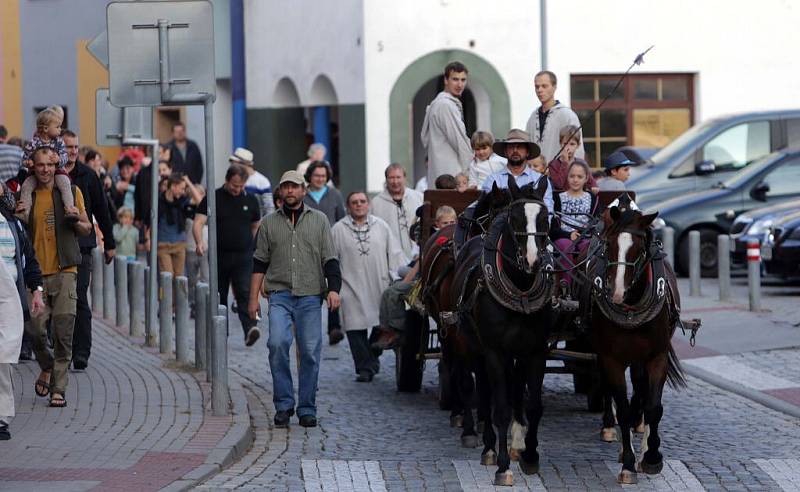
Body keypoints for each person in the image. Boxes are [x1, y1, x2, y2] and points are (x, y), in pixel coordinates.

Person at [248, 170, 341, 428]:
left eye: (294, 187)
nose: (290, 191)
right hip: (279, 295)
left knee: (310, 351)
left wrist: (334, 289)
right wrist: (252, 298)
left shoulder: (320, 221)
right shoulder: (268, 223)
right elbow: (258, 262)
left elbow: (330, 259)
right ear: (280, 191)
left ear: (303, 190)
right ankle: (284, 404)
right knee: (277, 344)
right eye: (285, 186)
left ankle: (307, 407)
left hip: (311, 295)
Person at [25, 147, 93, 408]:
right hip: (36, 276)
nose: (45, 170)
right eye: (40, 165)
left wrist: (76, 220)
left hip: (66, 271)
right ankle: (48, 367)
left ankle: (59, 390)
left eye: (49, 165)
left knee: (64, 333)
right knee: (35, 330)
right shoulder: (28, 193)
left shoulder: (71, 193)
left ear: (56, 166)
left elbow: (87, 227)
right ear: (34, 166)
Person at [331, 191, 405, 382]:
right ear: (348, 206)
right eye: (354, 202)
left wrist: (398, 278)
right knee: (354, 327)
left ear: (369, 204)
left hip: (378, 283)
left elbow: (394, 254)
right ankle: (364, 368)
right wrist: (332, 284)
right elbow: (331, 259)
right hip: (350, 286)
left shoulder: (381, 226)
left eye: (362, 201)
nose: (359, 205)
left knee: (379, 325)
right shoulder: (338, 229)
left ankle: (372, 356)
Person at [63, 131, 116, 371]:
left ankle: (81, 351)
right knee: (62, 300)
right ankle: (62, 344)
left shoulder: (89, 176)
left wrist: (110, 244)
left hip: (83, 246)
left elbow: (103, 211)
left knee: (80, 297)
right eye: (67, 147)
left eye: (75, 147)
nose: (72, 151)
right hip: (58, 246)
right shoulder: (52, 174)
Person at [371, 205, 455, 351]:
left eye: (451, 223)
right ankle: (393, 330)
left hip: (441, 282)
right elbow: (419, 263)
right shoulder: (432, 238)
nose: (449, 226)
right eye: (445, 223)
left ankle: (393, 329)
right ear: (437, 224)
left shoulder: (459, 236)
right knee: (389, 293)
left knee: (394, 290)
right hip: (425, 280)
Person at [194, 165, 262, 346]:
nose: (237, 189)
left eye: (240, 186)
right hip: (219, 255)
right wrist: (199, 241)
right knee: (219, 295)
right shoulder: (213, 197)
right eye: (234, 185)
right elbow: (199, 221)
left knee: (245, 292)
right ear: (227, 180)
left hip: (244, 256)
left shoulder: (251, 199)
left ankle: (251, 327)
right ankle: (220, 334)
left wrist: (256, 245)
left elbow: (256, 224)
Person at [0, 180, 44, 440]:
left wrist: (36, 290)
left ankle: (2, 417)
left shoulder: (14, 226)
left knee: (4, 356)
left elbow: (30, 261)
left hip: (9, 297)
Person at [302, 160, 346, 345]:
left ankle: (334, 327)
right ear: (309, 177)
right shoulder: (302, 195)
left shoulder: (335, 194)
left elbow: (342, 219)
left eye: (323, 176)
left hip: (330, 247)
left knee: (332, 285)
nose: (320, 179)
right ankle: (308, 327)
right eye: (316, 175)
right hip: (307, 247)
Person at [18, 107, 79, 224]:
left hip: (57, 171)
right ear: (46, 128)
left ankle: (70, 209)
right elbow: (24, 158)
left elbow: (65, 157)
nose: (60, 130)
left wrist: (59, 159)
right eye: (57, 127)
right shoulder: (33, 142)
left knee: (65, 183)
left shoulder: (59, 142)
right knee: (26, 185)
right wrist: (28, 163)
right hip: (36, 173)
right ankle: (24, 212)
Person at [420, 61, 473, 185]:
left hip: (442, 173)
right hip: (452, 176)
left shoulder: (439, 103)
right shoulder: (445, 105)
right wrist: (470, 172)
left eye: (463, 80)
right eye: (455, 79)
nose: (460, 84)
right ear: (446, 80)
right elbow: (460, 142)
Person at [481, 129, 553, 212]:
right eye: (511, 147)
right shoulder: (492, 180)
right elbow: (485, 212)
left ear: (527, 152)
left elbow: (548, 211)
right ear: (505, 151)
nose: (515, 150)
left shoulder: (540, 180)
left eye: (520, 147)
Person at [551, 160, 597, 285]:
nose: (575, 180)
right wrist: (568, 235)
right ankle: (565, 284)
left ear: (586, 178)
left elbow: (596, 223)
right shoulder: (558, 198)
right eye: (572, 176)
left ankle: (585, 286)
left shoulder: (592, 198)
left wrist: (582, 233)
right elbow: (552, 228)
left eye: (579, 176)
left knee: (588, 248)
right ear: (567, 176)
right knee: (565, 246)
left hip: (585, 237)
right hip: (563, 236)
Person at [525, 71, 585, 163]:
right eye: (537, 87)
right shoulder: (532, 118)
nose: (540, 90)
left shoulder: (567, 115)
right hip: (536, 175)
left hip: (560, 173)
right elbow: (527, 149)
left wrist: (572, 172)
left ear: (554, 87)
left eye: (544, 86)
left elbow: (578, 150)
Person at [370, 163, 423, 263]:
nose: (395, 181)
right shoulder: (376, 203)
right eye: (391, 178)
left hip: (419, 257)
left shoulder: (419, 197)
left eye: (398, 177)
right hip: (390, 259)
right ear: (386, 179)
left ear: (404, 178)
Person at [154, 173, 202, 276]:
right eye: (181, 188)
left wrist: (188, 182)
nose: (183, 191)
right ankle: (164, 293)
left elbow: (200, 202)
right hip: (163, 245)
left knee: (179, 279)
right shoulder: (159, 201)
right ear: (173, 186)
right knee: (167, 277)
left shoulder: (182, 201)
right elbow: (151, 220)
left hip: (180, 244)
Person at [547, 125, 598, 193]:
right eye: (565, 144)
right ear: (560, 143)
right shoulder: (553, 164)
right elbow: (559, 185)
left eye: (572, 144)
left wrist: (594, 187)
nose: (568, 147)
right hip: (560, 199)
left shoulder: (582, 163)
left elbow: (591, 182)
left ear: (578, 145)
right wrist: (565, 163)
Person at [230, 147, 275, 217]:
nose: (232, 167)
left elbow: (269, 209)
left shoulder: (262, 182)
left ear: (245, 164)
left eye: (234, 164)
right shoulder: (232, 179)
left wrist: (262, 226)